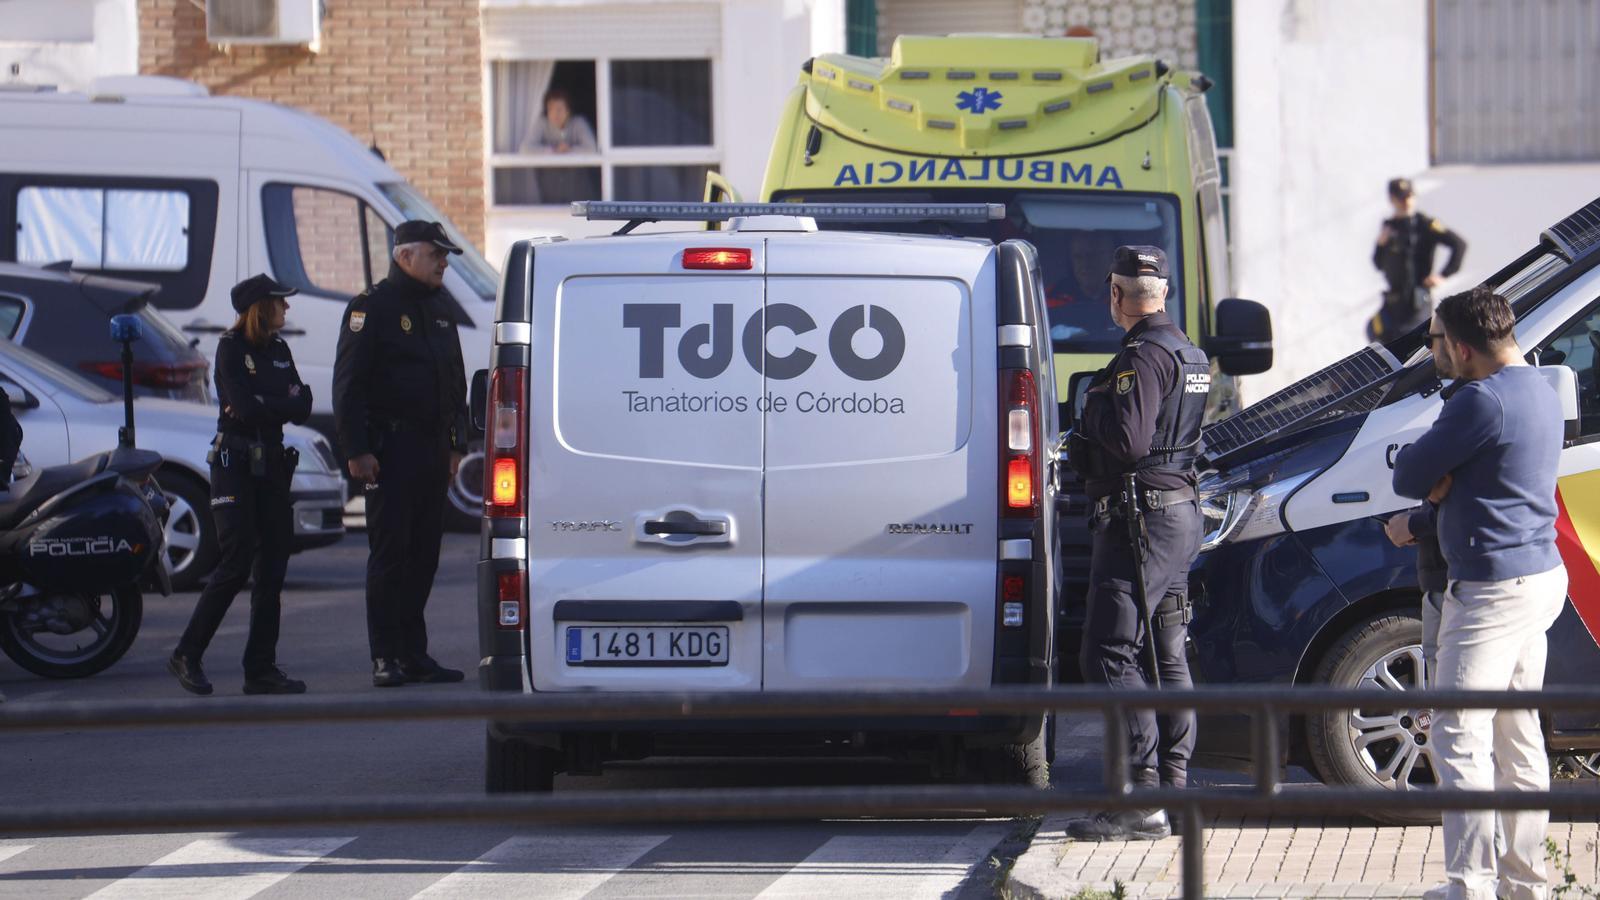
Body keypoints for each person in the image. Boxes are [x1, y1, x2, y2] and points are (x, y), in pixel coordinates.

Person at [1392, 287, 1566, 900]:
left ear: (1462, 348)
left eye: (1435, 341)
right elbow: (1491, 482)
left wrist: (1435, 487)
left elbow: (1408, 473)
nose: (1431, 350)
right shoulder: (1540, 389)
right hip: (1539, 576)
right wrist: (1447, 491)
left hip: (1491, 590)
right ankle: (1527, 884)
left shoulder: (1480, 402)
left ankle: (1471, 886)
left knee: (1457, 734)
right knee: (1518, 738)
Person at [1065, 246, 1211, 841]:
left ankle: (1139, 797)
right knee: (1165, 656)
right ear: (1165, 293)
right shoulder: (1189, 352)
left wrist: (1088, 413)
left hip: (1140, 522)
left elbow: (1127, 440)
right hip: (1176, 516)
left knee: (1107, 653)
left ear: (1117, 296)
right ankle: (1172, 791)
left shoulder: (1140, 356)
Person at [334, 220, 470, 688]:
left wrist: (457, 444)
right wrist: (357, 449)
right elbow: (349, 386)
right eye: (436, 255)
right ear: (405, 256)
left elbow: (455, 379)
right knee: (391, 554)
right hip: (389, 451)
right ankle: (385, 656)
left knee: (424, 555)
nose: (444, 264)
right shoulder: (371, 308)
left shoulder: (438, 307)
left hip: (431, 451)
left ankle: (414, 653)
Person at [168, 274, 310, 696]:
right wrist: (275, 403)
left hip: (272, 466)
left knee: (272, 568)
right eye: (280, 303)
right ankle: (186, 654)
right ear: (260, 308)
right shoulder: (231, 349)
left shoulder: (280, 350)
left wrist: (271, 404)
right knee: (235, 560)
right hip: (235, 463)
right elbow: (244, 409)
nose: (287, 309)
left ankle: (260, 668)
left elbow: (303, 404)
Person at [1371, 177, 1467, 339]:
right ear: (1392, 199)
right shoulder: (1389, 227)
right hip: (1393, 303)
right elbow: (1378, 264)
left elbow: (1459, 245)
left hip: (1418, 300)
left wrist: (1443, 275)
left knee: (1413, 341)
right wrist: (1380, 245)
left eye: (1409, 196)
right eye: (1400, 198)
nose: (1406, 201)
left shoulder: (1425, 224)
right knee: (1376, 335)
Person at [521, 88, 597, 155]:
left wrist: (569, 150)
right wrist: (553, 150)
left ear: (568, 111)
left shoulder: (578, 123)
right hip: (549, 171)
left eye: (559, 109)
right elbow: (525, 149)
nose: (555, 114)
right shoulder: (542, 124)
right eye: (551, 109)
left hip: (576, 171)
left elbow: (592, 149)